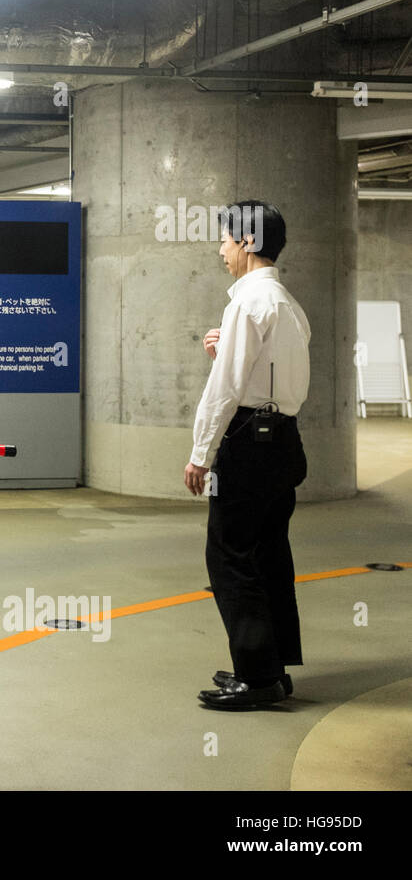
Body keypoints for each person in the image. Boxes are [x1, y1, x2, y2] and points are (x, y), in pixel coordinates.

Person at [182, 200, 310, 709]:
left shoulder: (247, 304)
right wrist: (226, 351)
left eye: (227, 239)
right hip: (283, 443)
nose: (221, 249)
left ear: (249, 243)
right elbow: (277, 378)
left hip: (248, 447)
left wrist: (200, 454)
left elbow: (226, 389)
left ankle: (256, 678)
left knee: (230, 556)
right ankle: (274, 668)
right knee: (269, 555)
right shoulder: (287, 304)